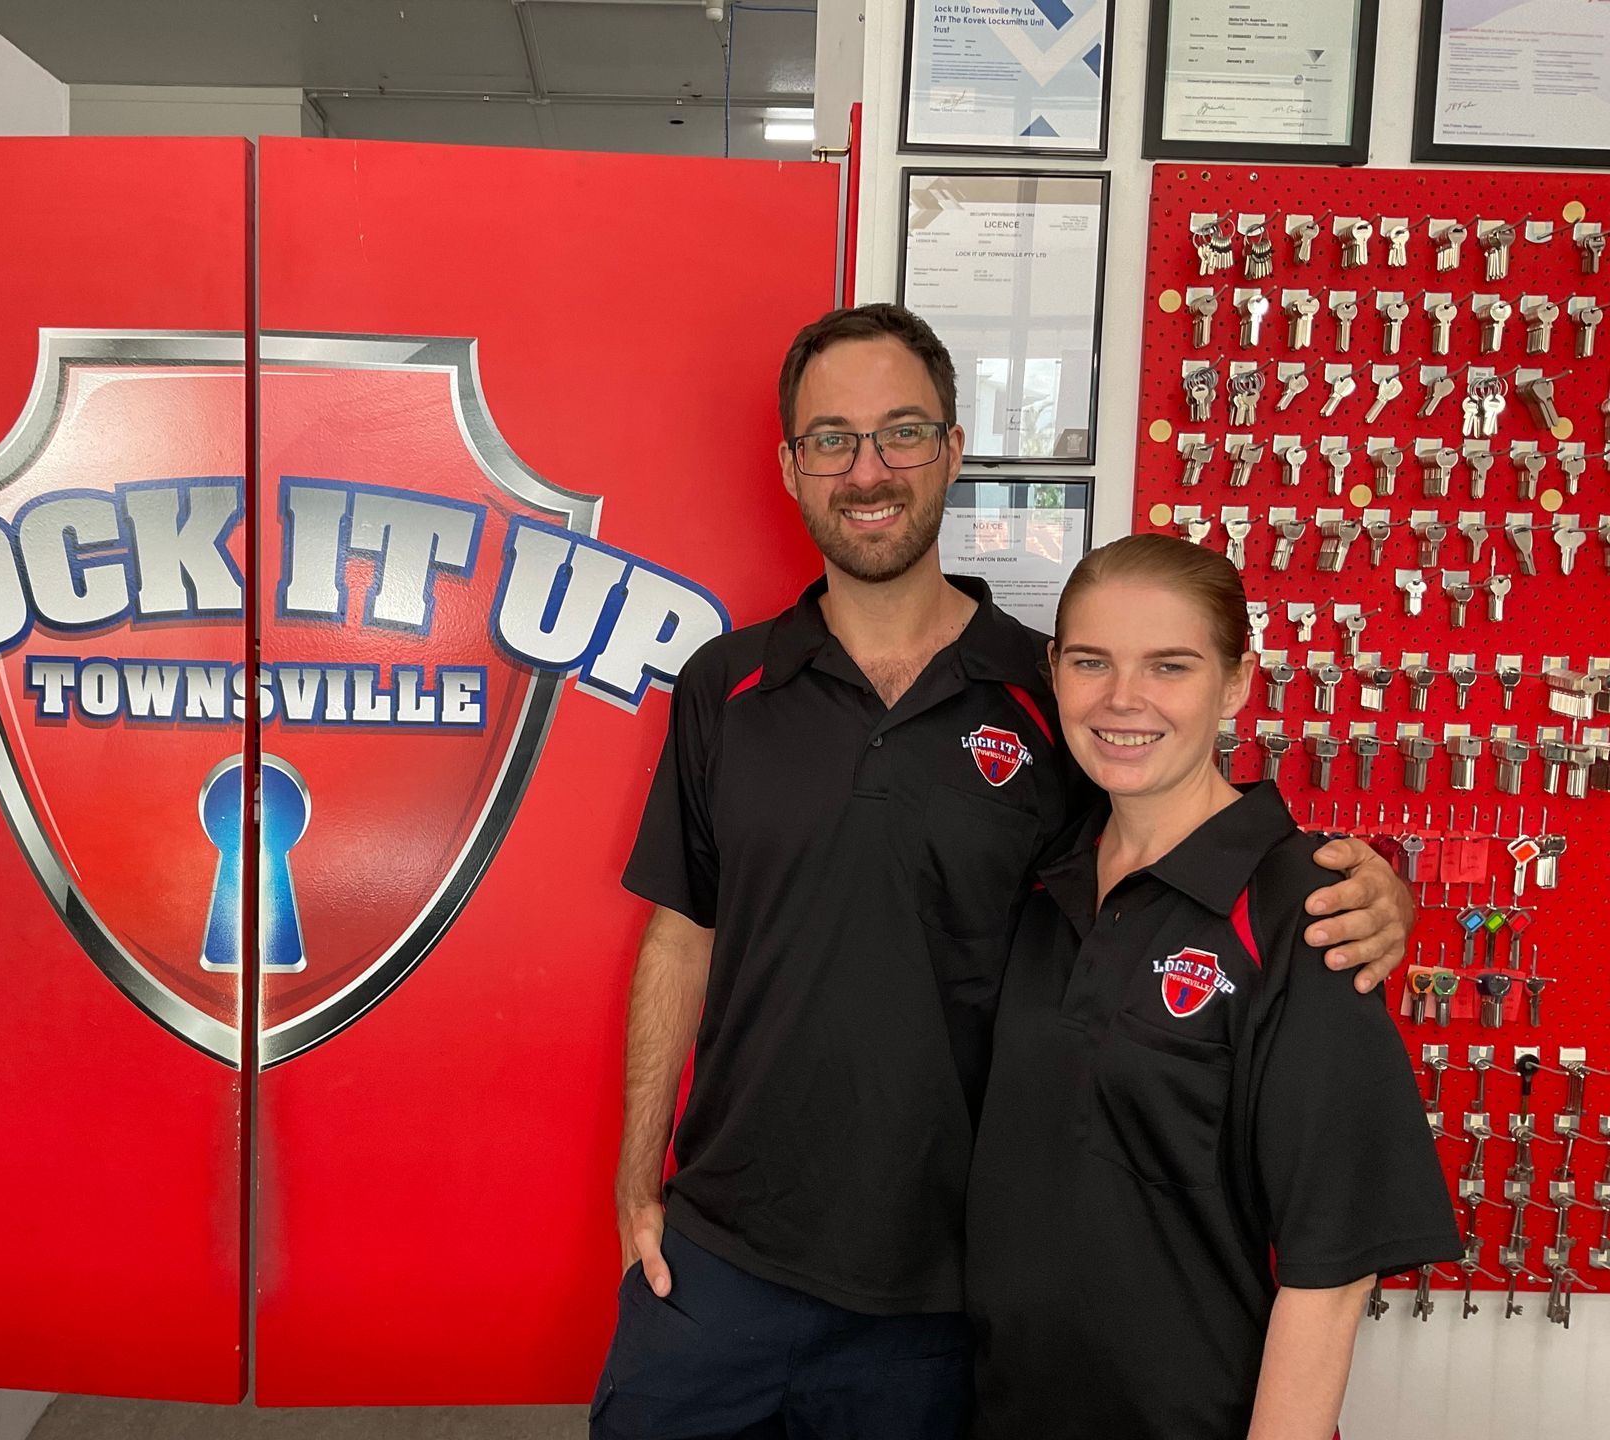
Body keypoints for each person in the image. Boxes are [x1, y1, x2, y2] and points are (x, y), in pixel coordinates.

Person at [589, 304, 1416, 1440]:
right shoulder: (722, 688)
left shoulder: (1053, 696)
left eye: (902, 433)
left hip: (950, 1290)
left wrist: (1376, 886)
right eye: (832, 438)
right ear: (790, 466)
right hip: (722, 1259)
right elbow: (684, 932)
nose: (867, 468)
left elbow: (1173, 846)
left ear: (954, 450)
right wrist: (639, 1182)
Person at [963, 533, 1461, 1440]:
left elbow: (1334, 1266)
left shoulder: (1304, 908)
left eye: (1170, 666)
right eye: (1091, 662)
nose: (1123, 699)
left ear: (1235, 683)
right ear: (1055, 671)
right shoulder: (1043, 882)